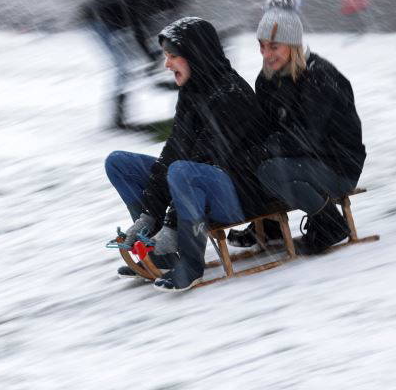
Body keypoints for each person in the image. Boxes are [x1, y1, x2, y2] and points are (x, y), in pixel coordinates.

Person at [103, 16, 273, 291]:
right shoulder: (192, 92)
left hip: (239, 194)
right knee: (119, 163)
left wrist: (171, 221)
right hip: (198, 180)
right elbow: (175, 149)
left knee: (183, 170)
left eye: (173, 56)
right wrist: (149, 213)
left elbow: (207, 157)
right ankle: (158, 249)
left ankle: (190, 263)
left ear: (195, 55)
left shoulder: (231, 93)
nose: (167, 64)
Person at [244, 0, 367, 255]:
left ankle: (330, 223)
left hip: (337, 164)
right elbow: (265, 128)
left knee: (270, 169)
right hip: (301, 159)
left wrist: (266, 150)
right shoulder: (266, 81)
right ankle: (270, 225)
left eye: (274, 46)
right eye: (262, 47)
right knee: (247, 160)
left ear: (293, 44)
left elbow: (308, 137)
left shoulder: (319, 76)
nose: (266, 54)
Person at [79, 0, 188, 129]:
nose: (168, 13)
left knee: (133, 64)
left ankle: (155, 89)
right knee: (122, 67)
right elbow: (139, 30)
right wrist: (151, 55)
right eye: (168, 9)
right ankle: (118, 119)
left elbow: (163, 30)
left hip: (113, 20)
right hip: (97, 20)